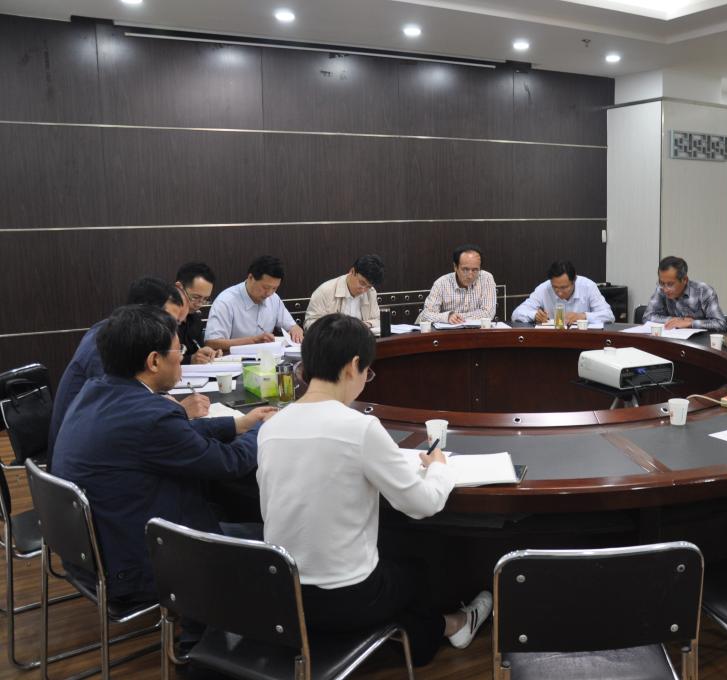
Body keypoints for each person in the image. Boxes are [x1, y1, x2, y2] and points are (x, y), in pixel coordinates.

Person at [257, 314, 492, 666]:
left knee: (385, 558)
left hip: (283, 594)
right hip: (346, 597)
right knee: (417, 569)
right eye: (367, 371)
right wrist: (439, 467)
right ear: (354, 366)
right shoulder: (360, 428)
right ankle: (447, 629)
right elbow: (423, 504)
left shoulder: (272, 427)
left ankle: (443, 626)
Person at [51, 305, 276, 603]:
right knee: (275, 545)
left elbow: (175, 437)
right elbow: (228, 463)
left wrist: (237, 425)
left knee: (225, 510)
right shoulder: (151, 416)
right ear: (154, 361)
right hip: (139, 565)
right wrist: (262, 430)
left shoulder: (97, 390)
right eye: (178, 350)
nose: (182, 357)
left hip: (95, 552)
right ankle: (216, 620)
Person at [48, 278, 205, 455]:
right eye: (169, 321)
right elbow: (124, 412)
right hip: (83, 451)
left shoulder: (118, 333)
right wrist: (180, 410)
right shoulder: (109, 344)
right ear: (144, 313)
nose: (173, 332)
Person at [204, 256, 304, 351]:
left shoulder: (274, 298)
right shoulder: (225, 301)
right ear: (250, 278)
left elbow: (292, 326)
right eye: (265, 287)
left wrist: (296, 330)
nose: (269, 293)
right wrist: (253, 341)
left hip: (267, 358)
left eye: (274, 288)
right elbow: (212, 343)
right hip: (233, 360)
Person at [511, 260, 614, 325]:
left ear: (574, 280)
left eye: (564, 287)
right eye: (555, 287)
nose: (559, 293)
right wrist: (534, 315)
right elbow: (516, 314)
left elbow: (609, 316)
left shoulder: (588, 287)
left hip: (583, 338)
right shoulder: (544, 288)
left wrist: (583, 316)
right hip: (552, 339)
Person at [643, 256, 727, 332]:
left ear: (684, 280)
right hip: (672, 339)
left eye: (670, 284)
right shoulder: (661, 289)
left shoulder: (704, 291)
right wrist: (678, 320)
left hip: (699, 340)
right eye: (661, 283)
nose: (665, 289)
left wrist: (691, 323)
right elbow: (647, 317)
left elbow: (720, 324)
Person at [417, 245, 496, 324]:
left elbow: (488, 313)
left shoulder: (486, 278)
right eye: (465, 269)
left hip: (475, 331)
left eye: (475, 270)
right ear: (455, 267)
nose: (470, 276)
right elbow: (426, 315)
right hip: (447, 331)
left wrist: (455, 318)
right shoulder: (441, 283)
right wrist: (447, 317)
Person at [305, 254, 384, 330]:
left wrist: (365, 325)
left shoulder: (371, 292)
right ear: (352, 271)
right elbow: (309, 324)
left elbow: (377, 319)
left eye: (369, 287)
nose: (364, 290)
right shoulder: (325, 291)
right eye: (362, 283)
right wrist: (335, 329)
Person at [174, 261, 222, 364]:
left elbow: (197, 350)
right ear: (179, 287)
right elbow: (159, 361)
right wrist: (191, 359)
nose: (199, 304)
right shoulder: (162, 318)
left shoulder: (196, 318)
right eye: (196, 297)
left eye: (205, 299)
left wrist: (208, 354)